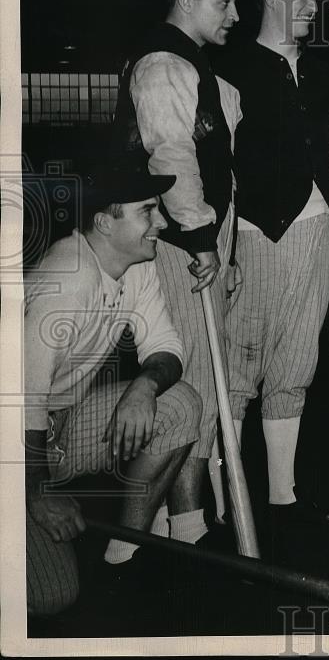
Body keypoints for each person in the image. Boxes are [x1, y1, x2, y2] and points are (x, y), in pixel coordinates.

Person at [212, 0, 329, 531]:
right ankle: (226, 502)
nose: (312, 5)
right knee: (236, 368)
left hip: (313, 230)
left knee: (297, 365)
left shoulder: (325, 74)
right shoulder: (228, 70)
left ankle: (282, 497)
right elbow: (216, 169)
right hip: (249, 234)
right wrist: (220, 246)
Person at [24, 164, 204, 615]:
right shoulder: (67, 278)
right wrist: (38, 494)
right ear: (106, 222)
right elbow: (18, 401)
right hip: (13, 447)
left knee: (180, 405)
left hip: (57, 429)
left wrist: (146, 383)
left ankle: (124, 559)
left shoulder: (136, 265)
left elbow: (166, 347)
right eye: (148, 211)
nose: (162, 222)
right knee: (52, 597)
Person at [110, 0, 245, 546]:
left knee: (198, 383)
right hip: (178, 244)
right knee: (191, 385)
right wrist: (200, 239)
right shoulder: (165, 61)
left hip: (191, 238)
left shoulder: (188, 60)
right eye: (225, 0)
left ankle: (178, 524)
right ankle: (173, 533)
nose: (235, 14)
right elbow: (170, 156)